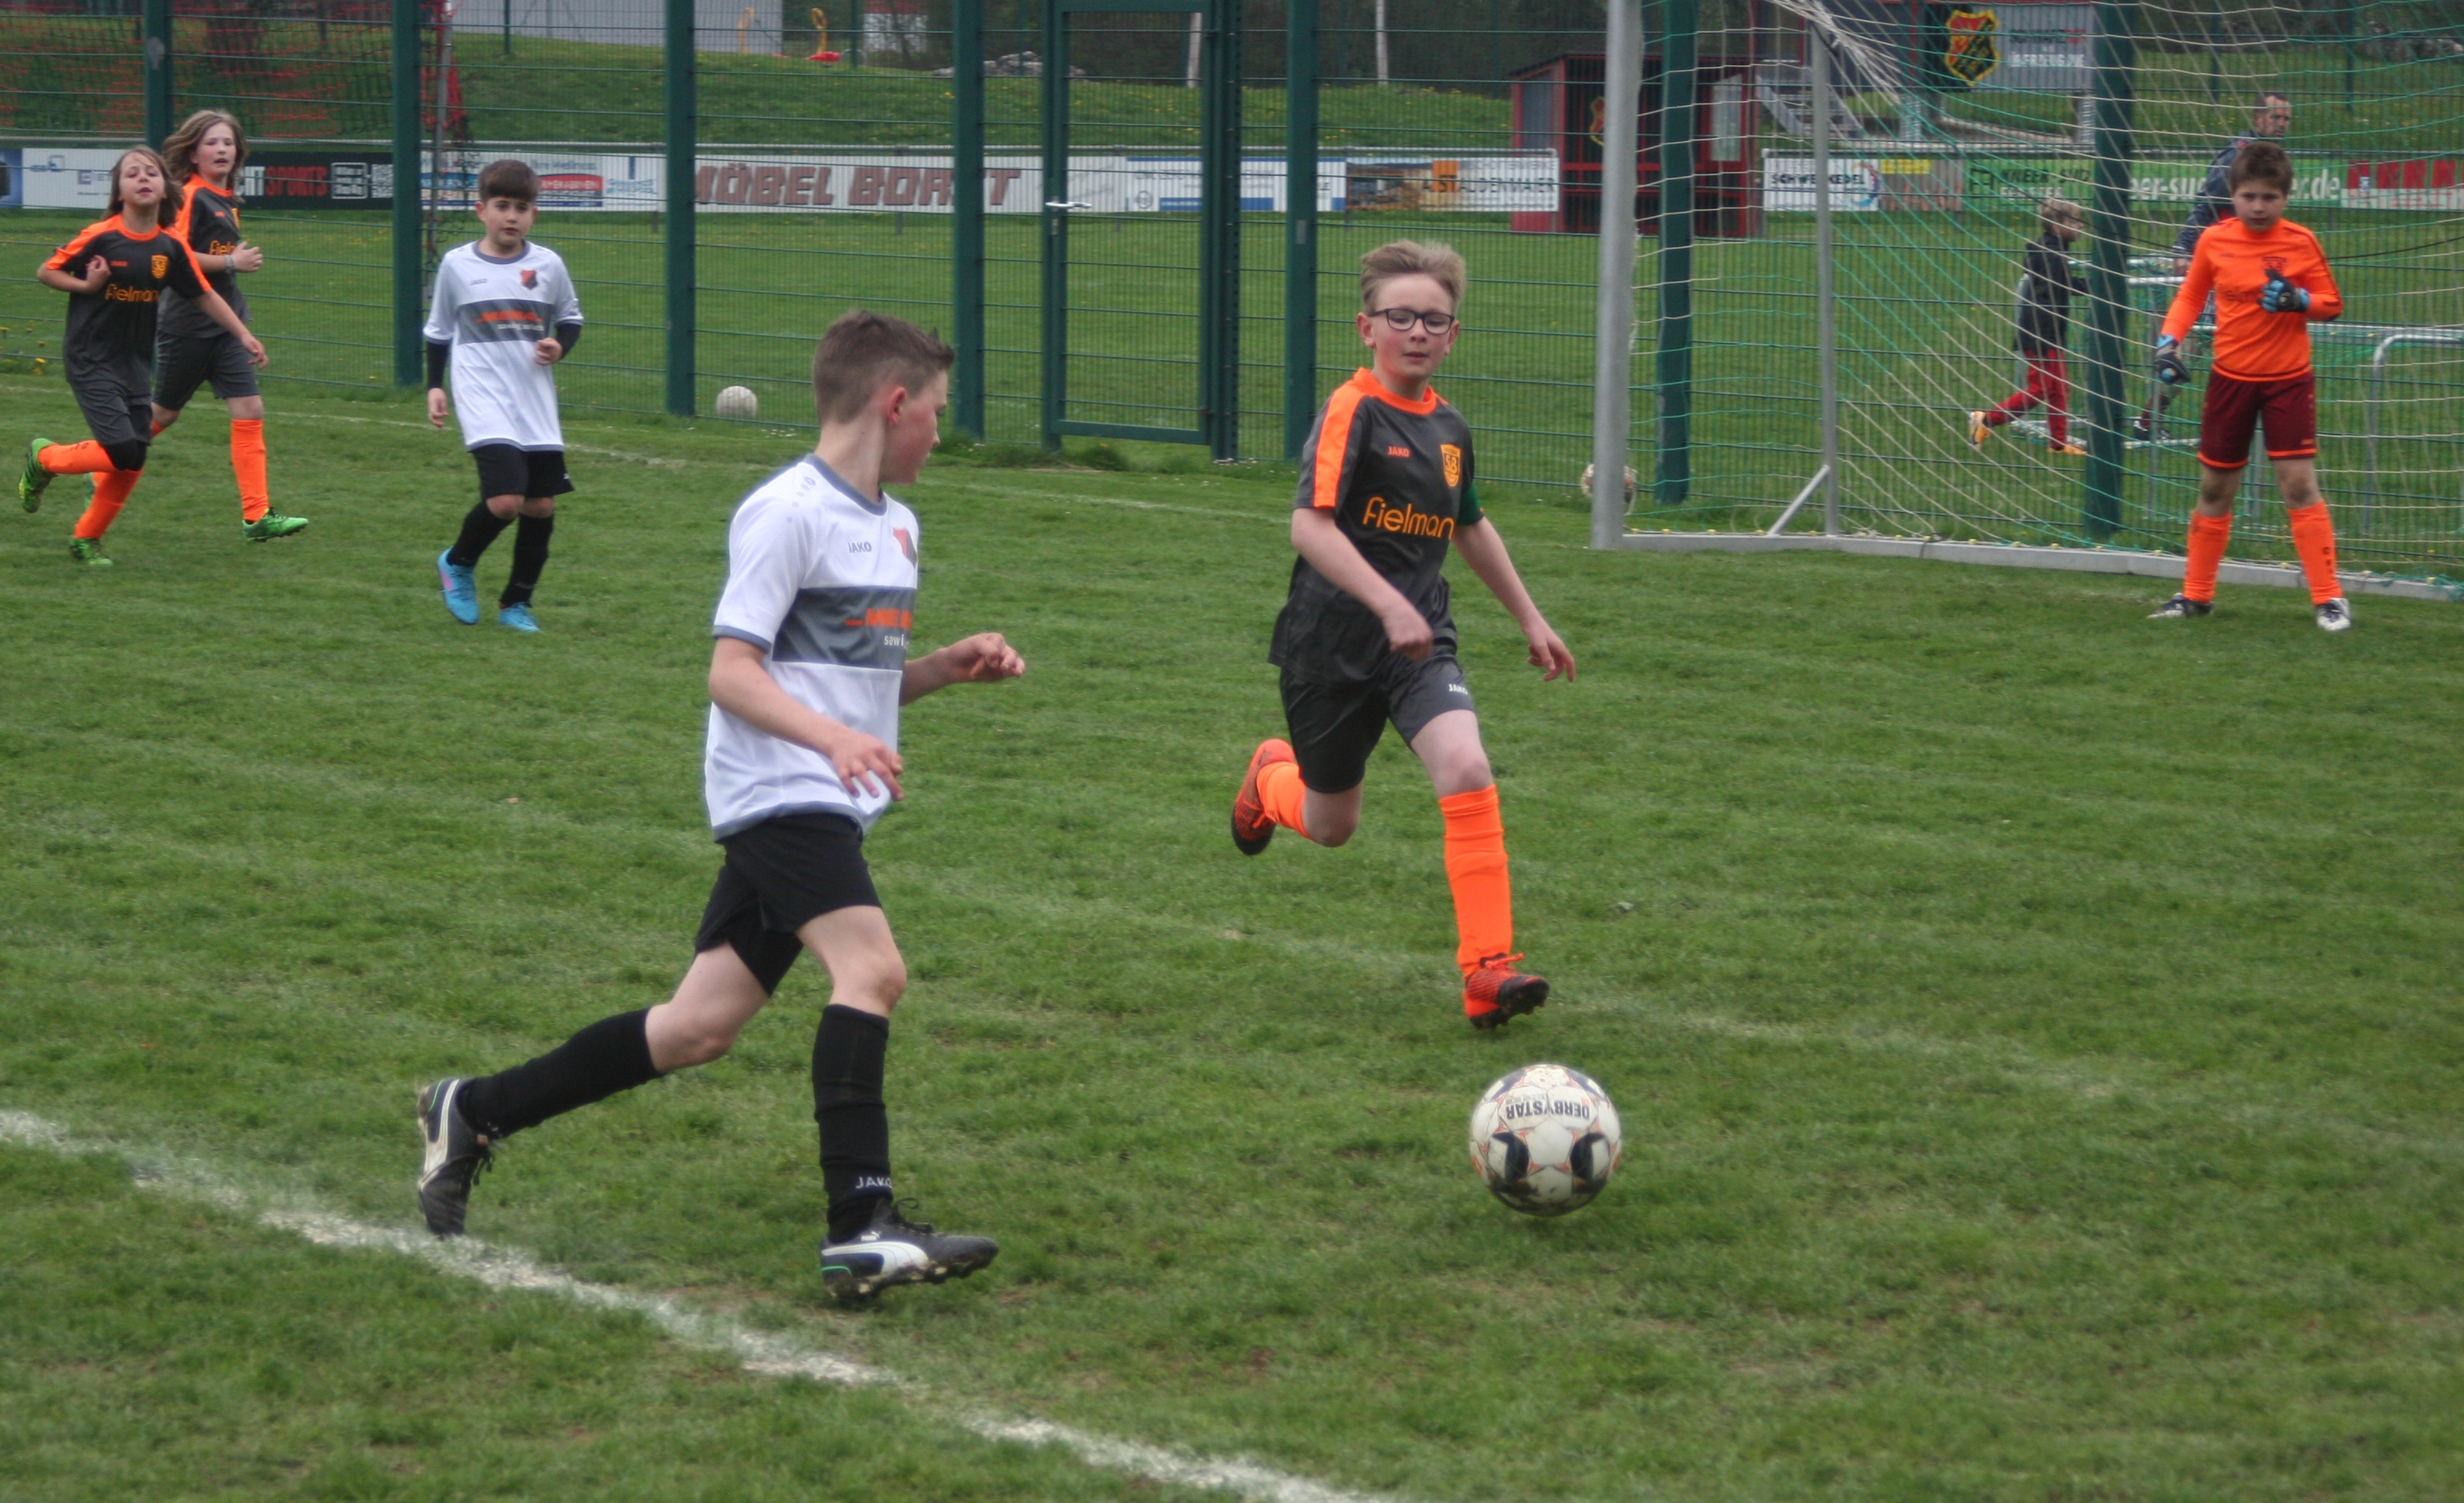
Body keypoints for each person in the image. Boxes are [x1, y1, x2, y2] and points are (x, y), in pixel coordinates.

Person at [416, 309, 1025, 1302]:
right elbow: (732, 673)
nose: (938, 432)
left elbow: (848, 686)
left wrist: (943, 668)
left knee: (697, 1027)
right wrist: (833, 742)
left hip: (821, 794)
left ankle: (473, 1109)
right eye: (936, 412)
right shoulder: (785, 511)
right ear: (894, 403)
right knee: (872, 971)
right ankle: (860, 1223)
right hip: (780, 792)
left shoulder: (898, 526)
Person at [1229, 240, 1577, 1031]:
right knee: (1332, 826)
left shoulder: (1449, 427)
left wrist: (1531, 618)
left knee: (1465, 765)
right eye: (1400, 317)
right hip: (1330, 645)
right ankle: (1268, 781)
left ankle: (1486, 970)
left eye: (1434, 320)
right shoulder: (1352, 410)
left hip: (1421, 645)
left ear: (1453, 335)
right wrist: (1386, 603)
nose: (1417, 331)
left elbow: (1469, 525)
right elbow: (1309, 527)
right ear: (1366, 328)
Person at [17, 145, 266, 567]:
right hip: (91, 357)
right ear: (119, 192)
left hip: (133, 362)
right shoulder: (101, 236)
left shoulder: (169, 245)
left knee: (134, 457)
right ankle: (44, 458)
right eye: (132, 174)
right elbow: (47, 271)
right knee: (121, 449)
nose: (143, 179)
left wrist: (242, 334)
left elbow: (202, 294)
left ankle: (86, 538)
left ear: (165, 188)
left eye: (150, 172)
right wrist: (87, 286)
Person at [2148, 140, 2350, 632]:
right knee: (2215, 487)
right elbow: (2190, 296)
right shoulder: (2214, 240)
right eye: (2249, 196)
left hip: (2287, 381)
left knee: (2298, 485)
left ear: (2286, 198)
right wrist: (2168, 343)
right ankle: (2196, 596)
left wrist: (2300, 300)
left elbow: (2332, 303)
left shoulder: (2301, 242)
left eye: (2269, 197)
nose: (2259, 207)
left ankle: (2329, 598)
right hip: (2230, 379)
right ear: (2233, 195)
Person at [425, 159, 581, 632]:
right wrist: (435, 385)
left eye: (522, 208)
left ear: (534, 214)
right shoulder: (458, 265)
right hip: (482, 393)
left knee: (540, 505)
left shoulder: (548, 265)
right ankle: (458, 562)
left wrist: (559, 346)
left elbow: (570, 319)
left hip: (533, 397)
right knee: (506, 500)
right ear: (481, 211)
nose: (511, 216)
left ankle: (516, 604)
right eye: (502, 206)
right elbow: (438, 331)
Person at [153, 109, 306, 542]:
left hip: (226, 324)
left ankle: (257, 517)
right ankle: (96, 461)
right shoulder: (189, 196)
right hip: (187, 326)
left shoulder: (223, 197)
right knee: (163, 414)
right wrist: (230, 262)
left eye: (228, 143)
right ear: (193, 153)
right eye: (211, 143)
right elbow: (172, 254)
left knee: (250, 408)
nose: (221, 149)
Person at [2138, 92, 2293, 440]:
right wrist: (2184, 247)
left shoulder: (2270, 159)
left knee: (2227, 340)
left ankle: (2160, 417)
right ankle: (2149, 419)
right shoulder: (2238, 156)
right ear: (2258, 118)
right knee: (2198, 341)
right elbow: (2206, 203)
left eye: (2286, 119)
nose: (2282, 125)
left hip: (2246, 263)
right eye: (2275, 118)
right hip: (2220, 262)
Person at [1967, 197, 2085, 456]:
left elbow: (2061, 284)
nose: (2081, 225)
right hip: (2042, 334)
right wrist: (2096, 285)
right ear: (2057, 226)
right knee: (2041, 389)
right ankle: (1985, 420)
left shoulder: (2051, 250)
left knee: (2058, 388)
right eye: (2075, 221)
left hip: (2048, 333)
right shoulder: (2052, 255)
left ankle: (2058, 443)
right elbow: (2061, 287)